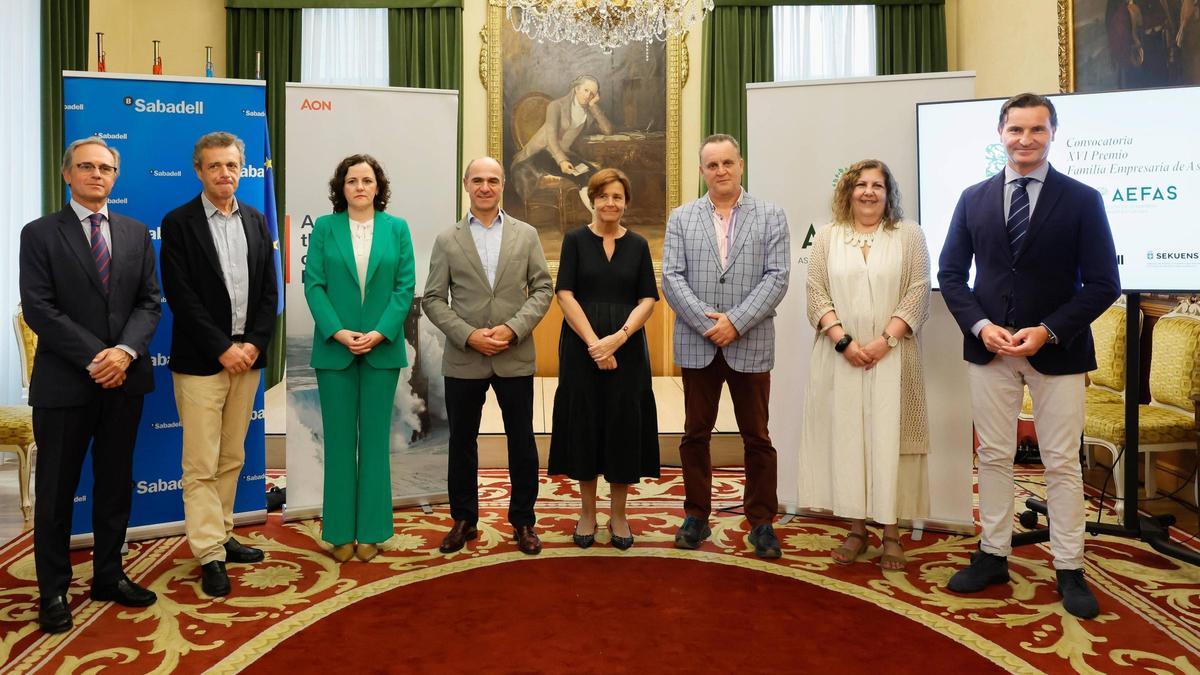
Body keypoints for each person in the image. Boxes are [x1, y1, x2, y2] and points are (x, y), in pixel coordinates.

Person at [938, 93, 1120, 619]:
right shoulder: (972, 198)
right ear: (1000, 133)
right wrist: (980, 324)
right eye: (1016, 129)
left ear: (1052, 134)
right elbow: (952, 275)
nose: (1025, 139)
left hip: (1057, 352)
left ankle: (1070, 567)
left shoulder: (1083, 200)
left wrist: (1047, 330)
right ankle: (993, 555)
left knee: (1062, 463)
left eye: (1037, 130)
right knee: (993, 457)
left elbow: (1105, 283)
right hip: (988, 348)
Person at [19, 137, 162, 633]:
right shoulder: (38, 234)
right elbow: (40, 308)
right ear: (67, 174)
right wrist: (95, 356)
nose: (96, 174)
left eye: (105, 167)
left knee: (115, 485)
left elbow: (150, 303)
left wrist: (122, 353)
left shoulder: (136, 232)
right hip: (65, 384)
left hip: (124, 381)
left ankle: (108, 575)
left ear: (115, 176)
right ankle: (53, 589)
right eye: (86, 166)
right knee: (57, 491)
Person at [797, 159, 931, 572]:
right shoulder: (827, 237)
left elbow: (918, 289)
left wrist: (884, 341)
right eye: (861, 185)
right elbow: (816, 292)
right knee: (850, 440)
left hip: (893, 357)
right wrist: (845, 343)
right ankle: (857, 528)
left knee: (888, 441)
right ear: (848, 191)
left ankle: (891, 532)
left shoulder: (908, 235)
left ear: (888, 194)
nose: (869, 192)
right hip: (842, 360)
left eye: (878, 185)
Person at [160, 132, 278, 597]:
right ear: (199, 171)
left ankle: (223, 533)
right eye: (214, 167)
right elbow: (181, 296)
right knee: (201, 462)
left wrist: (253, 343)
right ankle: (208, 552)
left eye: (232, 166)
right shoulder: (179, 222)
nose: (224, 174)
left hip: (247, 359)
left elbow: (270, 292)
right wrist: (221, 347)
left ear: (241, 168)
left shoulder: (256, 219)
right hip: (203, 362)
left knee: (232, 456)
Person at [661, 133, 791, 559]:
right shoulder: (681, 218)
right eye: (712, 165)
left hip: (749, 342)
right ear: (702, 171)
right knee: (695, 434)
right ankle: (696, 515)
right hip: (698, 344)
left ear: (741, 165)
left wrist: (735, 322)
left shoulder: (771, 216)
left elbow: (777, 277)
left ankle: (762, 522)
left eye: (727, 163)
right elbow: (672, 278)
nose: (721, 171)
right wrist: (707, 323)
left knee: (757, 436)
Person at [423, 157, 553, 555]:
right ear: (466, 184)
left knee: (522, 442)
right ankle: (464, 519)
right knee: (462, 441)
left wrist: (513, 329)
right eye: (477, 180)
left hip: (514, 355)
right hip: (465, 358)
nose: (485, 186)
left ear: (502, 185)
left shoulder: (526, 234)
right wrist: (469, 335)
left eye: (492, 180)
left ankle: (524, 522)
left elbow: (543, 289)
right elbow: (432, 298)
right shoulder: (448, 239)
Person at [303, 154, 415, 563]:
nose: (360, 187)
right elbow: (313, 285)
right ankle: (338, 532)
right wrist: (338, 331)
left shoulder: (397, 229)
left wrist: (379, 332)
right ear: (342, 187)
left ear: (378, 187)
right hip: (336, 350)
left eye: (367, 180)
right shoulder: (325, 229)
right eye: (352, 181)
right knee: (338, 442)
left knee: (373, 443)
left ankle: (371, 530)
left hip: (381, 349)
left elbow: (405, 288)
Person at [548, 168, 660, 550]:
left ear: (625, 202)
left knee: (622, 424)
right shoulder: (575, 240)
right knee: (585, 422)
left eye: (618, 197)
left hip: (627, 347)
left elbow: (648, 299)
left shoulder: (640, 244)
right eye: (604, 196)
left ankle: (619, 515)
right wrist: (596, 343)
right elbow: (565, 294)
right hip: (582, 346)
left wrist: (617, 339)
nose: (610, 203)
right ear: (592, 200)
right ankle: (586, 512)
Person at [510, 75, 615, 208]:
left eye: (592, 93)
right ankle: (598, 217)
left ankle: (598, 217)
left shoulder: (587, 112)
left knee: (595, 175)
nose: (588, 95)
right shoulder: (556, 106)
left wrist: (594, 106)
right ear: (576, 89)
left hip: (563, 153)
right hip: (539, 155)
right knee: (581, 177)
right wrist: (562, 161)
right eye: (586, 90)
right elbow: (551, 138)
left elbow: (608, 130)